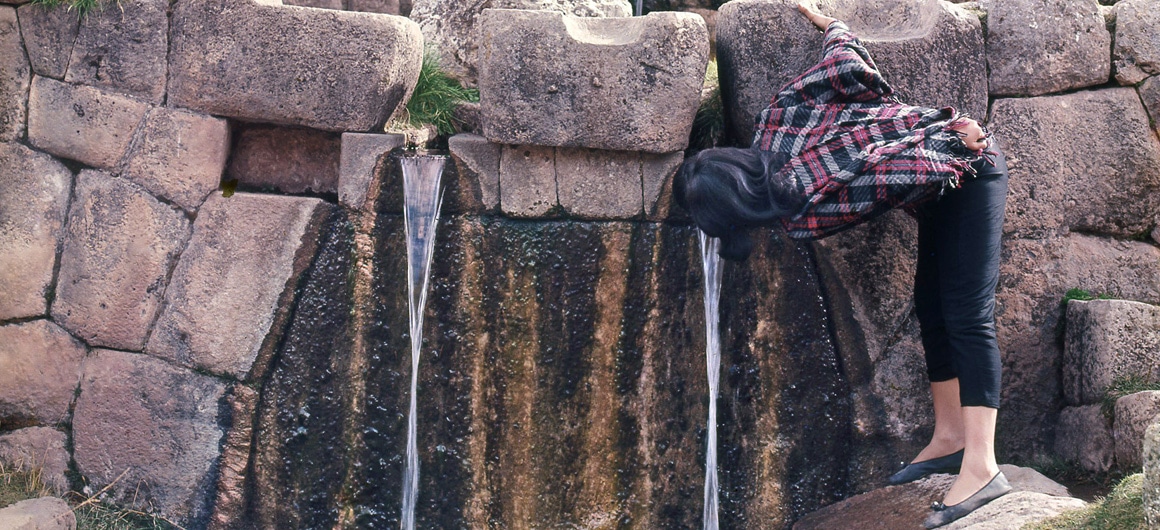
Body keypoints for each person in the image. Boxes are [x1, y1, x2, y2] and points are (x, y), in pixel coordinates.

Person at [673, 3, 1011, 528]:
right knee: (932, 307)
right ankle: (949, 437)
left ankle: (983, 466)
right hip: (936, 184)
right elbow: (844, 69)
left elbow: (884, 163)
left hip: (967, 165)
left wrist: (951, 138)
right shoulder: (774, 124)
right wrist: (833, 28)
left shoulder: (802, 206)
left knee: (967, 315)